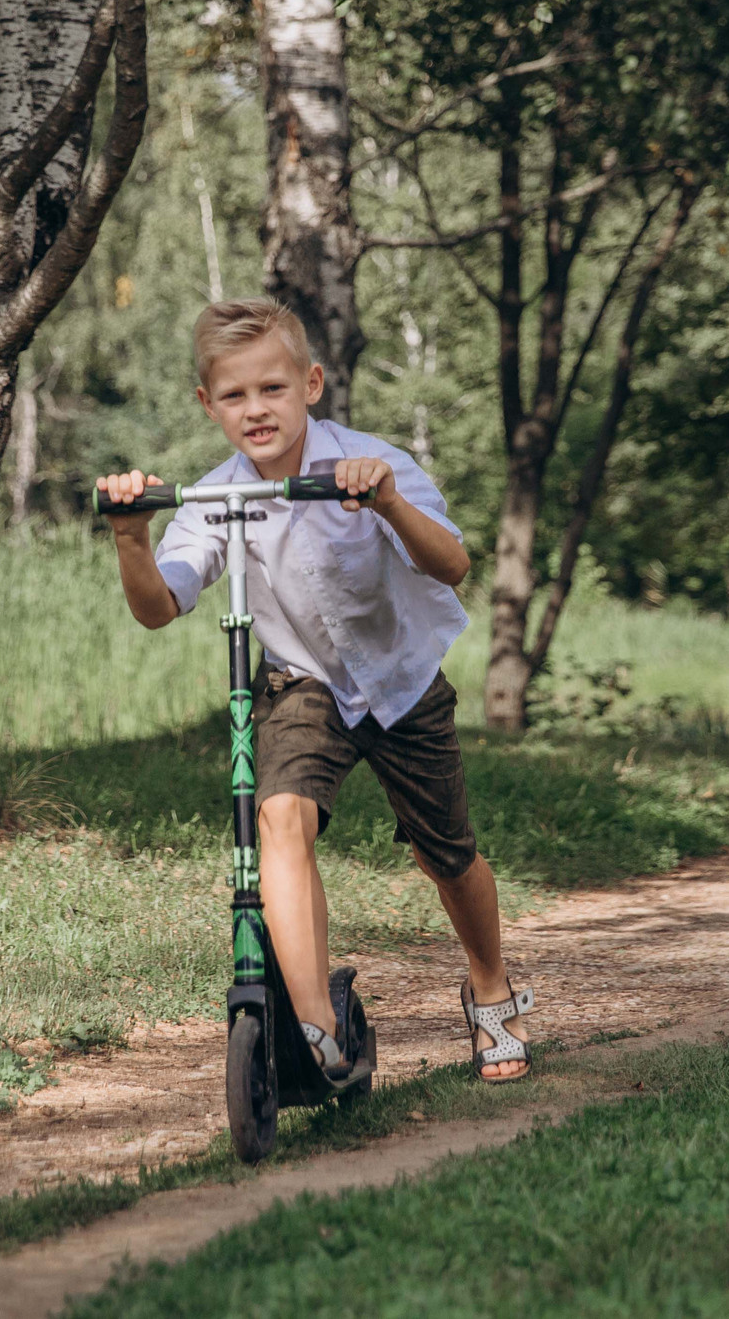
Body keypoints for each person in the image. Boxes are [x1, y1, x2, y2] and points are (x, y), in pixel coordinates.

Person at [96, 298, 533, 1083]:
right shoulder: (217, 495)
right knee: (279, 820)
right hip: (303, 685)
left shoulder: (370, 459)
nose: (255, 409)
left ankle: (491, 988)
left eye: (272, 388)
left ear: (312, 383)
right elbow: (161, 606)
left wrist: (388, 499)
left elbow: (453, 565)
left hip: (402, 683)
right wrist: (131, 536)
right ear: (208, 404)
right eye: (234, 395)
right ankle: (317, 1027)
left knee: (447, 854)